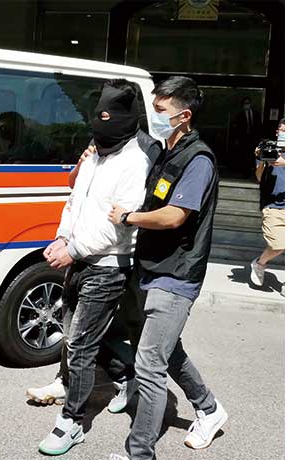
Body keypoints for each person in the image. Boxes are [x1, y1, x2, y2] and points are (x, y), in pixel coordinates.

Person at [108, 76, 228, 460]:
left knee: (148, 365)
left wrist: (128, 217)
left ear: (184, 115)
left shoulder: (198, 160)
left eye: (160, 110)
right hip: (151, 266)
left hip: (176, 274)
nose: (154, 116)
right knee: (167, 350)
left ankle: (140, 453)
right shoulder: (166, 151)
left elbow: (175, 215)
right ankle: (209, 409)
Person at [36, 79, 152, 456]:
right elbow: (75, 200)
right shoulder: (94, 153)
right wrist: (62, 237)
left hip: (108, 266)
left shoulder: (136, 161)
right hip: (79, 258)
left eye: (107, 126)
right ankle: (124, 377)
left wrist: (74, 249)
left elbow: (118, 224)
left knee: (81, 344)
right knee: (76, 338)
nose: (100, 136)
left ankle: (72, 422)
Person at [250, 117, 285, 295]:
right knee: (278, 244)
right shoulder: (268, 148)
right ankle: (260, 263)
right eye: (282, 130)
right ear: (277, 131)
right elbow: (258, 177)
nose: (284, 133)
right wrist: (262, 160)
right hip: (274, 205)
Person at [230, 96, 262, 177]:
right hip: (243, 139)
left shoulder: (256, 114)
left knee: (254, 155)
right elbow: (237, 128)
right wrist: (236, 139)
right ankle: (245, 172)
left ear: (251, 104)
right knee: (244, 155)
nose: (247, 105)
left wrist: (259, 138)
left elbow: (259, 126)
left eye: (248, 103)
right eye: (245, 103)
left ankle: (254, 172)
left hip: (254, 138)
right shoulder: (240, 115)